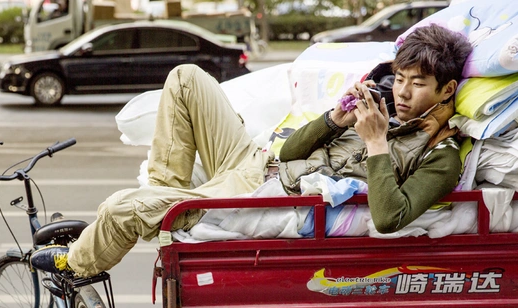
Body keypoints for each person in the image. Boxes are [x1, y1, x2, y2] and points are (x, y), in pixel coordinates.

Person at [30, 24, 473, 278]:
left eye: (417, 84)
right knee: (186, 77)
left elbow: (388, 216)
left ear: (447, 89)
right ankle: (170, 204)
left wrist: (376, 142)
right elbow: (291, 149)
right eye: (399, 79)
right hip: (257, 162)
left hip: (266, 191)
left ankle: (78, 263)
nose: (402, 92)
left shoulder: (442, 154)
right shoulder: (380, 103)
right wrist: (334, 120)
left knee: (117, 209)